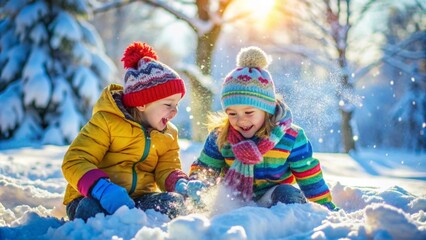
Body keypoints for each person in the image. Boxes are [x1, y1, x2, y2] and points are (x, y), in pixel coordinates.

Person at [62, 42, 203, 221]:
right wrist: (102, 189)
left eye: (176, 105)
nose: (174, 111)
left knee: (174, 203)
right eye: (168, 104)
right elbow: (74, 161)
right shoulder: (106, 122)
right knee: (91, 209)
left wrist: (180, 184)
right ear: (142, 103)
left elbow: (166, 169)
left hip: (138, 200)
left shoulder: (169, 134)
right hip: (92, 196)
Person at [189, 46, 338, 211]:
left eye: (249, 112)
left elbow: (309, 175)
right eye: (232, 113)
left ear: (267, 109)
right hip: (233, 200)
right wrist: (198, 186)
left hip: (273, 200)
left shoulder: (291, 138)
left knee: (287, 193)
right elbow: (205, 168)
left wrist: (326, 208)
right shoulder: (220, 136)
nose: (241, 120)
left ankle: (282, 227)